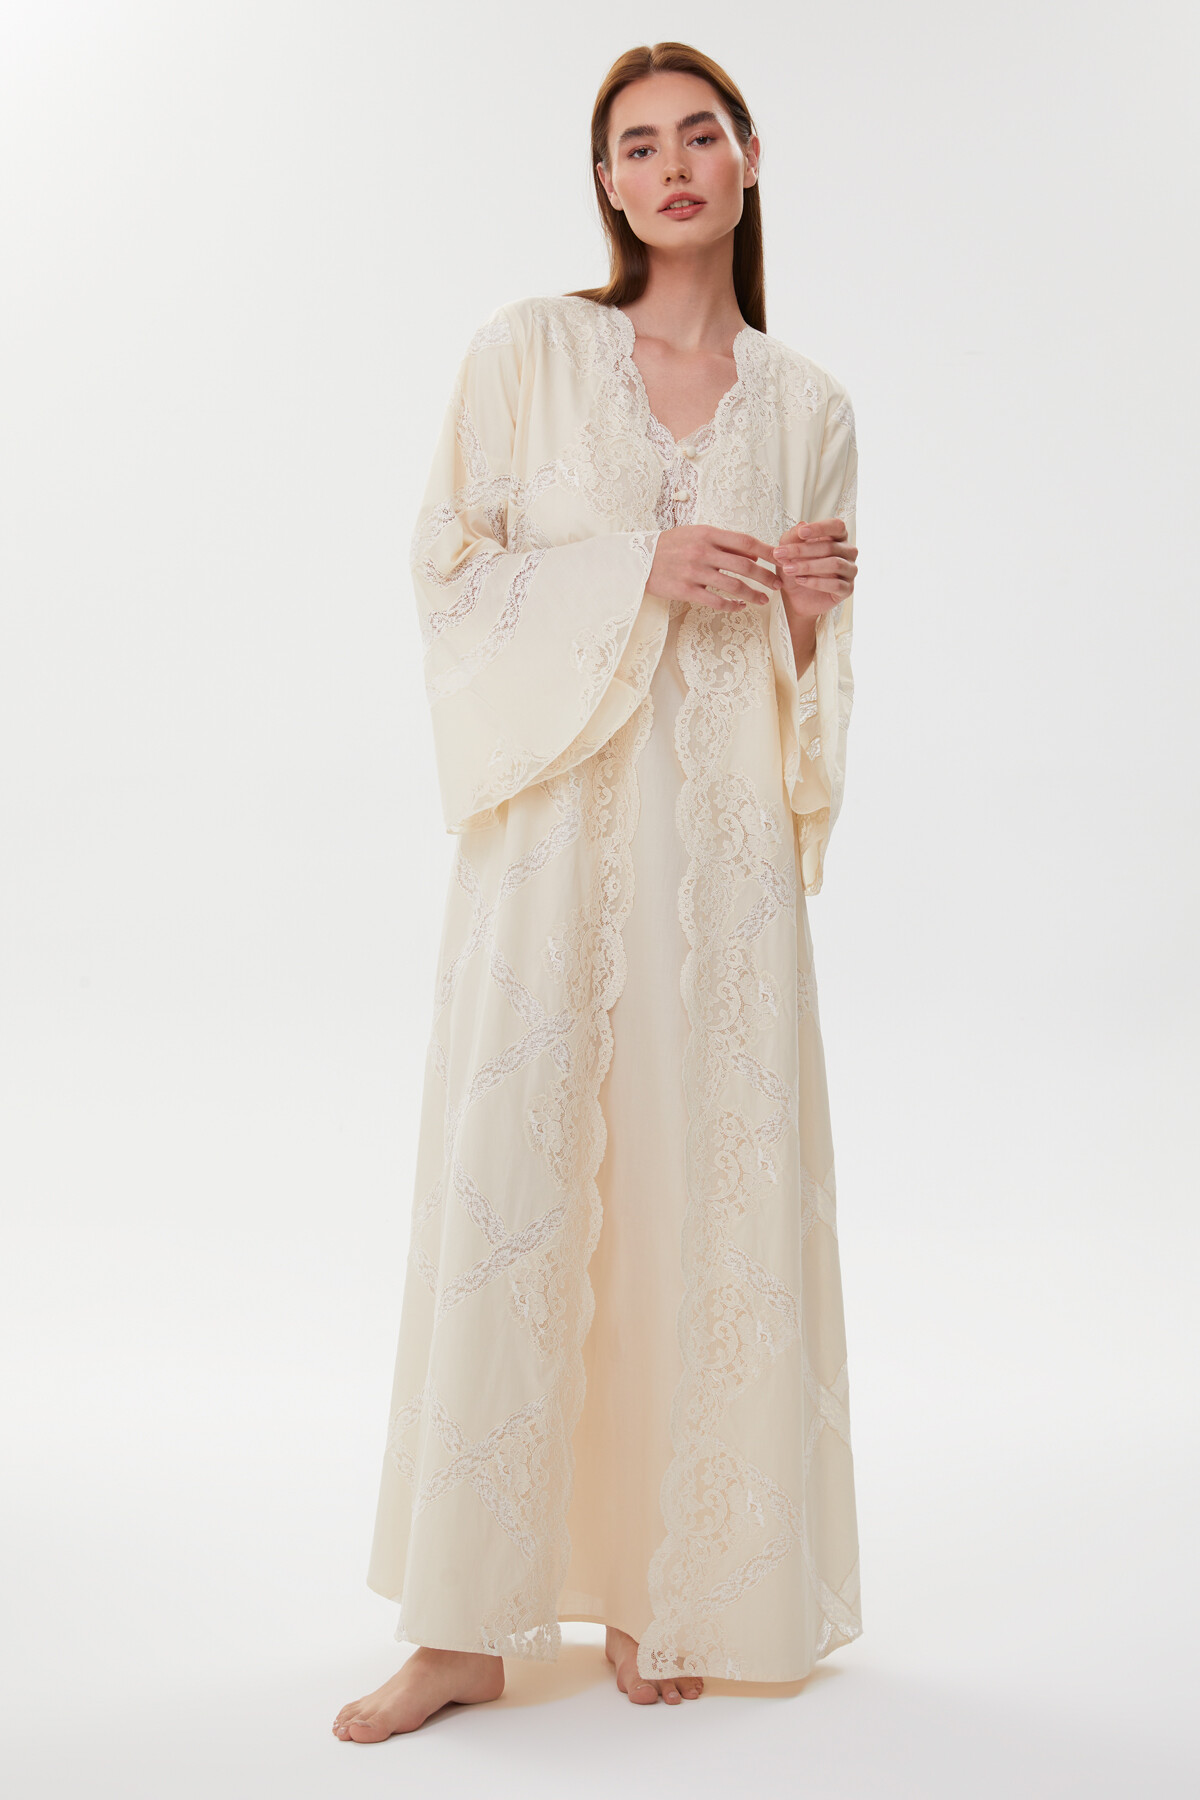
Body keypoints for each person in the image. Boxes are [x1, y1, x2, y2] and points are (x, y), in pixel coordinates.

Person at [334, 39, 862, 1742]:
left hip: (717, 872)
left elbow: (810, 703)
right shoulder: (528, 356)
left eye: (700, 134)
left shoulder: (811, 409)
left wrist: (801, 617)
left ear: (750, 158)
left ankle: (665, 1584)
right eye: (638, 145)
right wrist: (640, 564)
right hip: (555, 848)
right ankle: (463, 1629)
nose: (672, 165)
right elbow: (448, 571)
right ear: (608, 184)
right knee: (517, 1177)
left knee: (695, 1198)